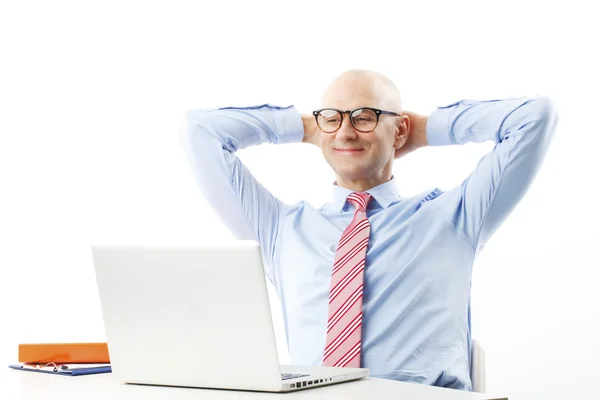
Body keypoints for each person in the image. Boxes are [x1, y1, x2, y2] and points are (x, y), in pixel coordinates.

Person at [179, 69, 558, 391]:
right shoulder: (279, 229)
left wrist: (423, 131)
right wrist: (308, 127)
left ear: (399, 129)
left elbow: (534, 118)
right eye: (334, 117)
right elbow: (201, 130)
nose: (346, 132)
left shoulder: (454, 217)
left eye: (364, 116)